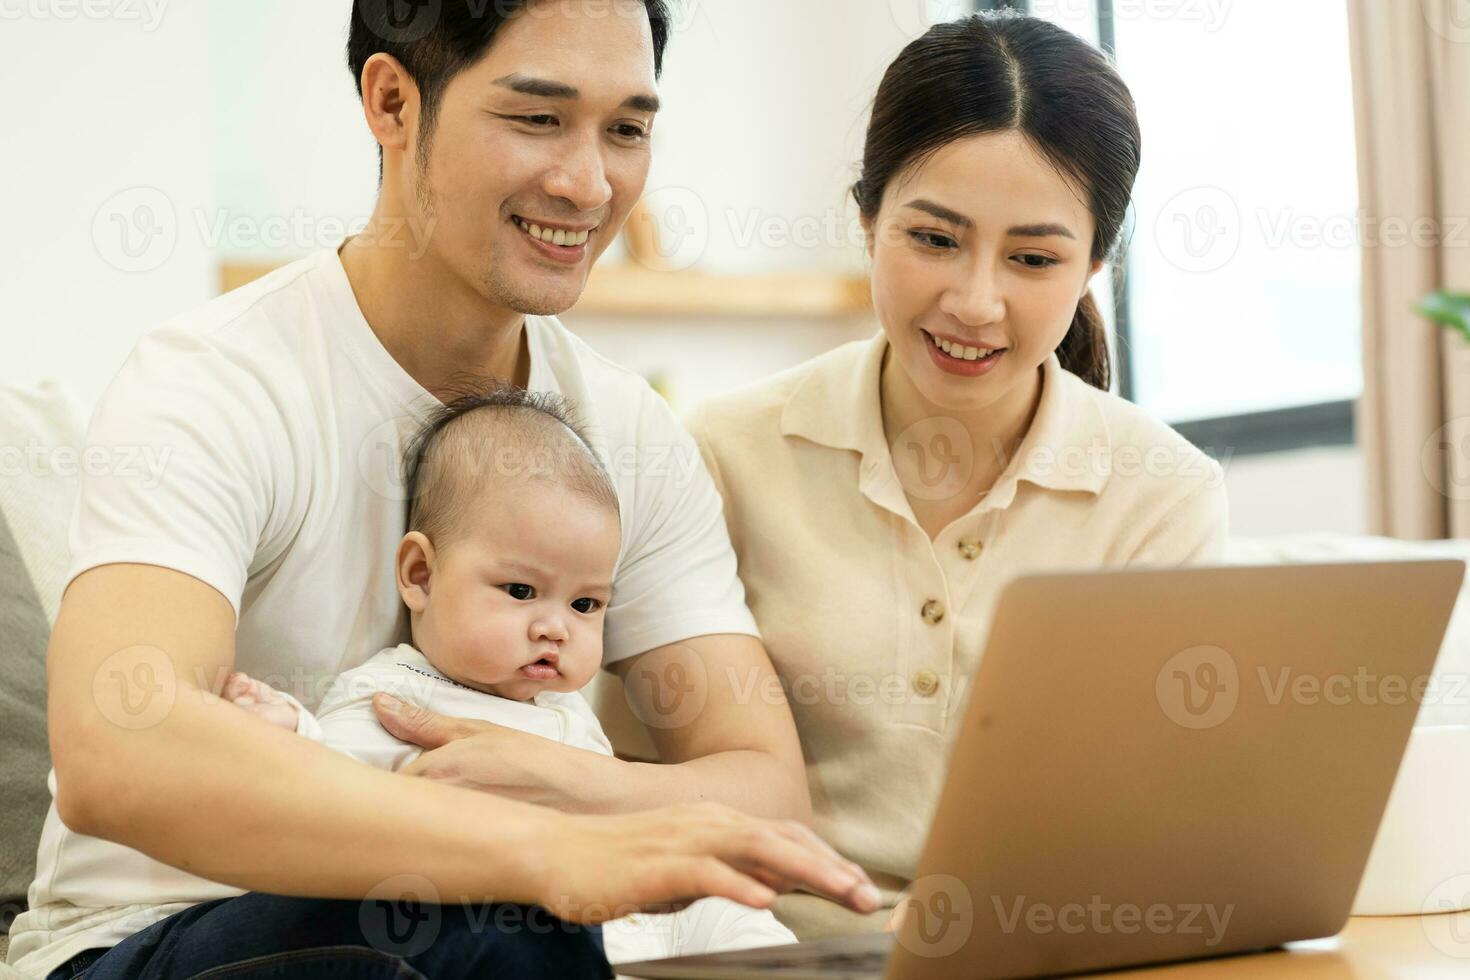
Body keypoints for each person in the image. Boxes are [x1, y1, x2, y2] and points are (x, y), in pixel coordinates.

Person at [10, 2, 876, 978]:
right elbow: (118, 750)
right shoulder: (213, 381)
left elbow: (764, 794)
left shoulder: (624, 433)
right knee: (501, 914)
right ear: (392, 101)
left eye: (627, 129)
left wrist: (554, 781)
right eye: (538, 118)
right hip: (155, 937)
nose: (589, 181)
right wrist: (543, 849)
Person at [686, 11, 1230, 941]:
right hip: (773, 949)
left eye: (1032, 258)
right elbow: (639, 759)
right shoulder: (723, 452)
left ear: (1095, 262)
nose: (975, 302)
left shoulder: (1163, 493)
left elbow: (1163, 815)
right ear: (868, 219)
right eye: (934, 239)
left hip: (1047, 951)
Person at [223, 386, 799, 964]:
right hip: (530, 927)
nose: (556, 628)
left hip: (627, 908)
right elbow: (333, 795)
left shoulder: (564, 710)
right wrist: (289, 731)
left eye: (586, 605)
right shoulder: (397, 694)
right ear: (420, 574)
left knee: (732, 910)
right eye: (521, 591)